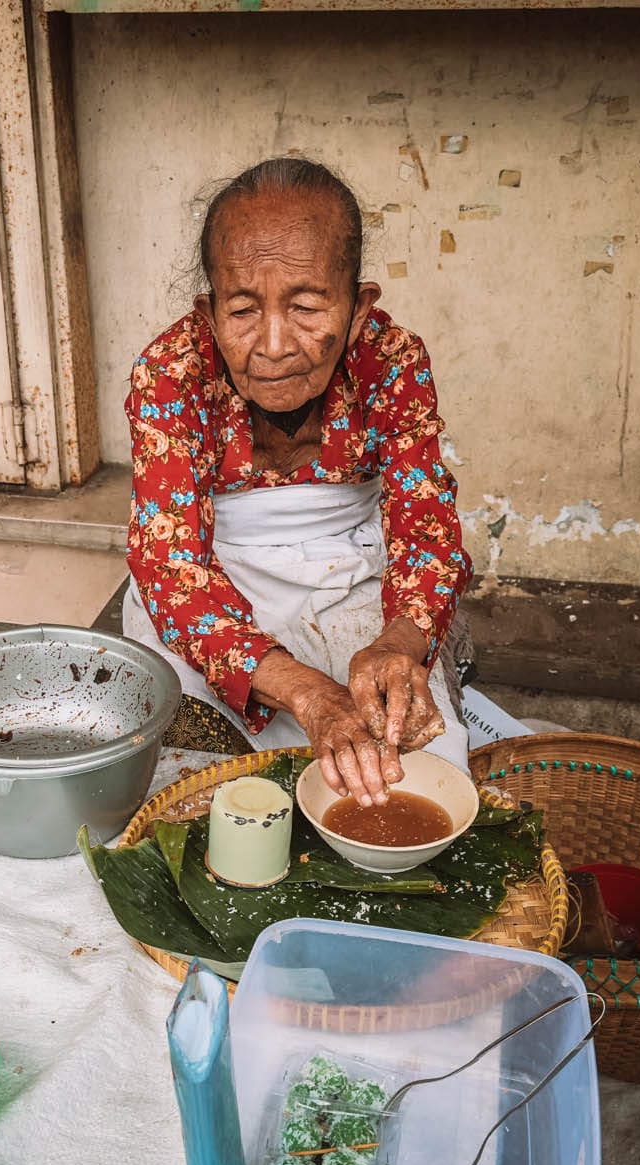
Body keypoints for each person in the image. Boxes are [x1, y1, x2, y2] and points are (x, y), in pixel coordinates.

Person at [122, 157, 473, 808]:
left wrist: (397, 644)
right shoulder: (171, 373)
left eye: (308, 305)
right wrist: (311, 695)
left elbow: (426, 532)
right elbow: (171, 568)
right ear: (210, 311)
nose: (275, 343)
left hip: (354, 575)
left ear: (358, 304)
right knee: (204, 792)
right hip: (213, 584)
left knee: (418, 772)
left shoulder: (390, 362)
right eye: (244, 310)